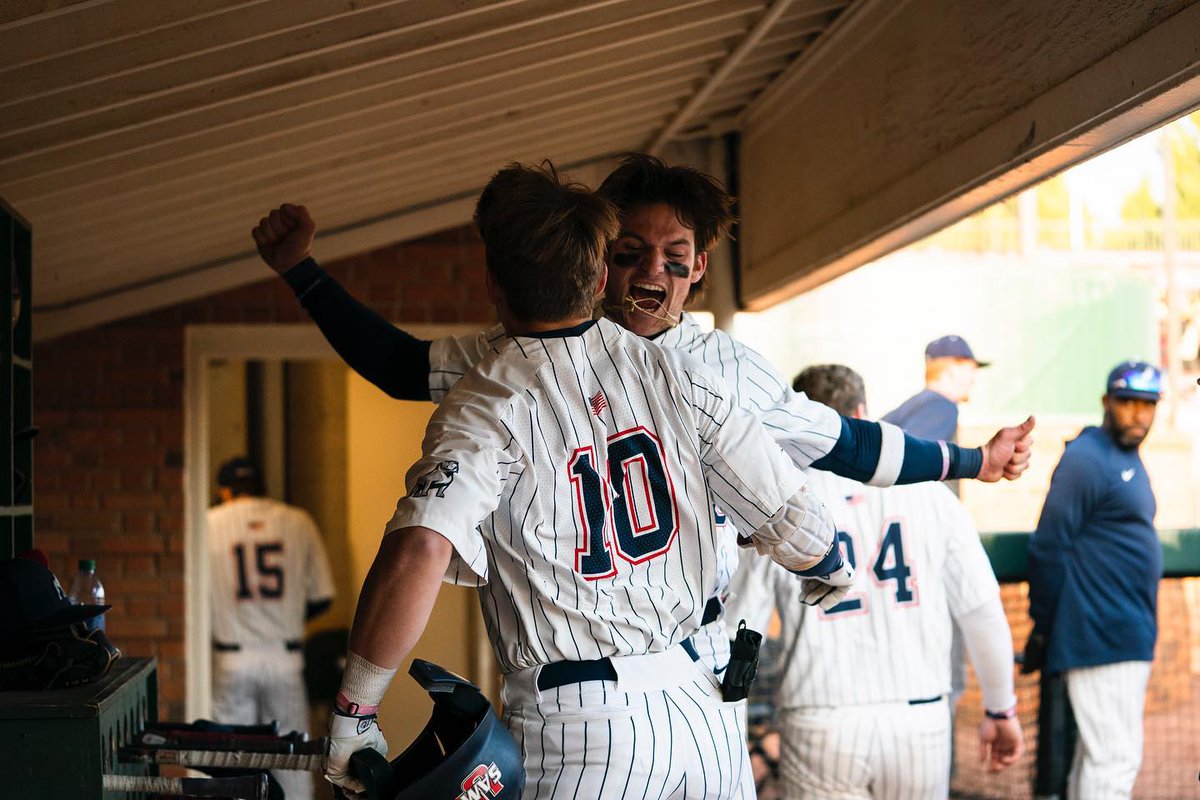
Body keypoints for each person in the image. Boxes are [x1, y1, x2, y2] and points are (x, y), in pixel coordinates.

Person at [252, 154, 1035, 675]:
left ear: (700, 267)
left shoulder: (723, 366)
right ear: (598, 258)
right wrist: (302, 274)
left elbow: (846, 444)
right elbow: (399, 366)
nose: (651, 270)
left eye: (673, 255)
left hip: (697, 655)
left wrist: (974, 462)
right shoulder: (523, 348)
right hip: (572, 666)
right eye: (630, 252)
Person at [318, 162, 855, 799]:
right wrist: (827, 562)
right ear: (600, 277)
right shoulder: (677, 370)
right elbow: (788, 512)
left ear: (493, 285)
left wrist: (355, 712)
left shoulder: (485, 400)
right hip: (704, 713)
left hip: (580, 728)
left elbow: (421, 547)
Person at [726, 364, 1025, 799]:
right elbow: (982, 613)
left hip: (819, 718)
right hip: (919, 719)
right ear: (863, 413)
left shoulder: (775, 498)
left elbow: (739, 628)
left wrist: (729, 729)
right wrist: (1000, 708)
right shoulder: (930, 492)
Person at [1026, 360, 1163, 799]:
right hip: (1101, 634)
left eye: (1148, 404)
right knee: (1114, 761)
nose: (1138, 414)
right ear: (1106, 402)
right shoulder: (1086, 458)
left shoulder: (1125, 456)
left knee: (1096, 760)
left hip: (1123, 632)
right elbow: (1048, 546)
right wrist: (1043, 626)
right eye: (1128, 402)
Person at [206, 457, 336, 800]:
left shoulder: (207, 522)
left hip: (231, 657)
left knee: (231, 761)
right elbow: (322, 598)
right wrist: (282, 617)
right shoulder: (298, 521)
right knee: (291, 760)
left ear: (224, 490)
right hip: (284, 656)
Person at [883, 334, 990, 442]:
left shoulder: (922, 402)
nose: (973, 380)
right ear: (952, 369)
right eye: (971, 370)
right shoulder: (941, 407)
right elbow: (913, 452)